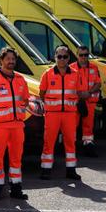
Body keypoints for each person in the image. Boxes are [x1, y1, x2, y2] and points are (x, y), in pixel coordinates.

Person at [0, 47, 30, 200]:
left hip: (17, 125)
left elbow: (25, 100)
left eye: (13, 59)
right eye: (8, 59)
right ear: (1, 60)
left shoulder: (20, 79)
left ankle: (16, 189)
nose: (11, 62)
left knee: (16, 158)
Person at [40, 46, 83, 180]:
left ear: (69, 58)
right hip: (52, 114)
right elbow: (42, 93)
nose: (62, 59)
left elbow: (79, 92)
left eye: (65, 57)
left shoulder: (75, 74)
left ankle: (71, 170)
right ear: (55, 57)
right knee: (49, 142)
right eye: (59, 56)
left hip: (70, 114)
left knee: (70, 142)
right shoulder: (47, 74)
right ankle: (46, 170)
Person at [70, 46, 101, 157]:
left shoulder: (94, 67)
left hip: (90, 101)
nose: (83, 57)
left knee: (88, 126)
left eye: (86, 55)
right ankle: (70, 148)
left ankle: (88, 145)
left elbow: (98, 83)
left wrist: (89, 92)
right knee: (72, 125)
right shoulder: (71, 68)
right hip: (76, 102)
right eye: (81, 55)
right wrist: (80, 94)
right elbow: (68, 86)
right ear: (77, 55)